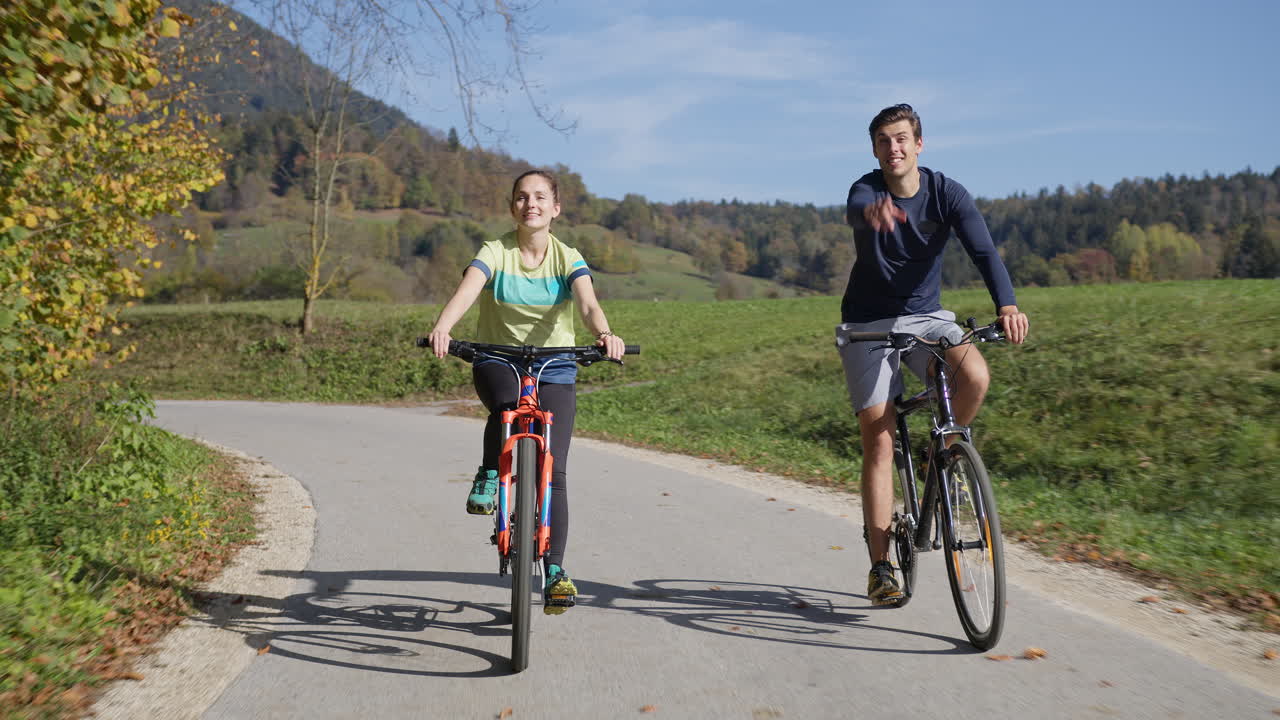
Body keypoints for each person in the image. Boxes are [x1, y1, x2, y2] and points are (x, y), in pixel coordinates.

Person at [837, 104, 1030, 605]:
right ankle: (882, 567)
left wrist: (1006, 305)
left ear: (919, 144)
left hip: (927, 318)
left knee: (976, 377)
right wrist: (872, 214)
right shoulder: (866, 190)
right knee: (878, 441)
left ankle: (942, 454)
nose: (893, 148)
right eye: (883, 141)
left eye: (901, 139)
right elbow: (857, 208)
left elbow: (984, 251)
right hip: (867, 326)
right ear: (875, 149)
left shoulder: (948, 193)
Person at [426, 169, 626, 615]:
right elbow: (469, 289)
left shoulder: (566, 256)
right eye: (521, 197)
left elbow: (588, 304)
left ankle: (554, 570)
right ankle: (487, 470)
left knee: (556, 470)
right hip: (499, 358)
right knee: (505, 406)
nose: (529, 204)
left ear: (556, 207)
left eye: (539, 197)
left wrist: (606, 334)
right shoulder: (495, 251)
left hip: (555, 364)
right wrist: (444, 327)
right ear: (511, 206)